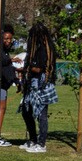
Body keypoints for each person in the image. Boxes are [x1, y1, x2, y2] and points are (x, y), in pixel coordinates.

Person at [20, 22, 58, 153]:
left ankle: (41, 144)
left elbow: (41, 69)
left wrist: (28, 68)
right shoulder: (36, 49)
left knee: (41, 114)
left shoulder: (44, 50)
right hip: (33, 84)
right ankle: (33, 140)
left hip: (41, 85)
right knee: (26, 111)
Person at [0, 23, 19, 146]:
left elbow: (7, 67)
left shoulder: (5, 51)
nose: (8, 41)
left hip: (4, 85)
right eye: (6, 38)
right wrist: (11, 60)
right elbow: (3, 62)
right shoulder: (0, 51)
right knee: (1, 108)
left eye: (10, 39)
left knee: (2, 109)